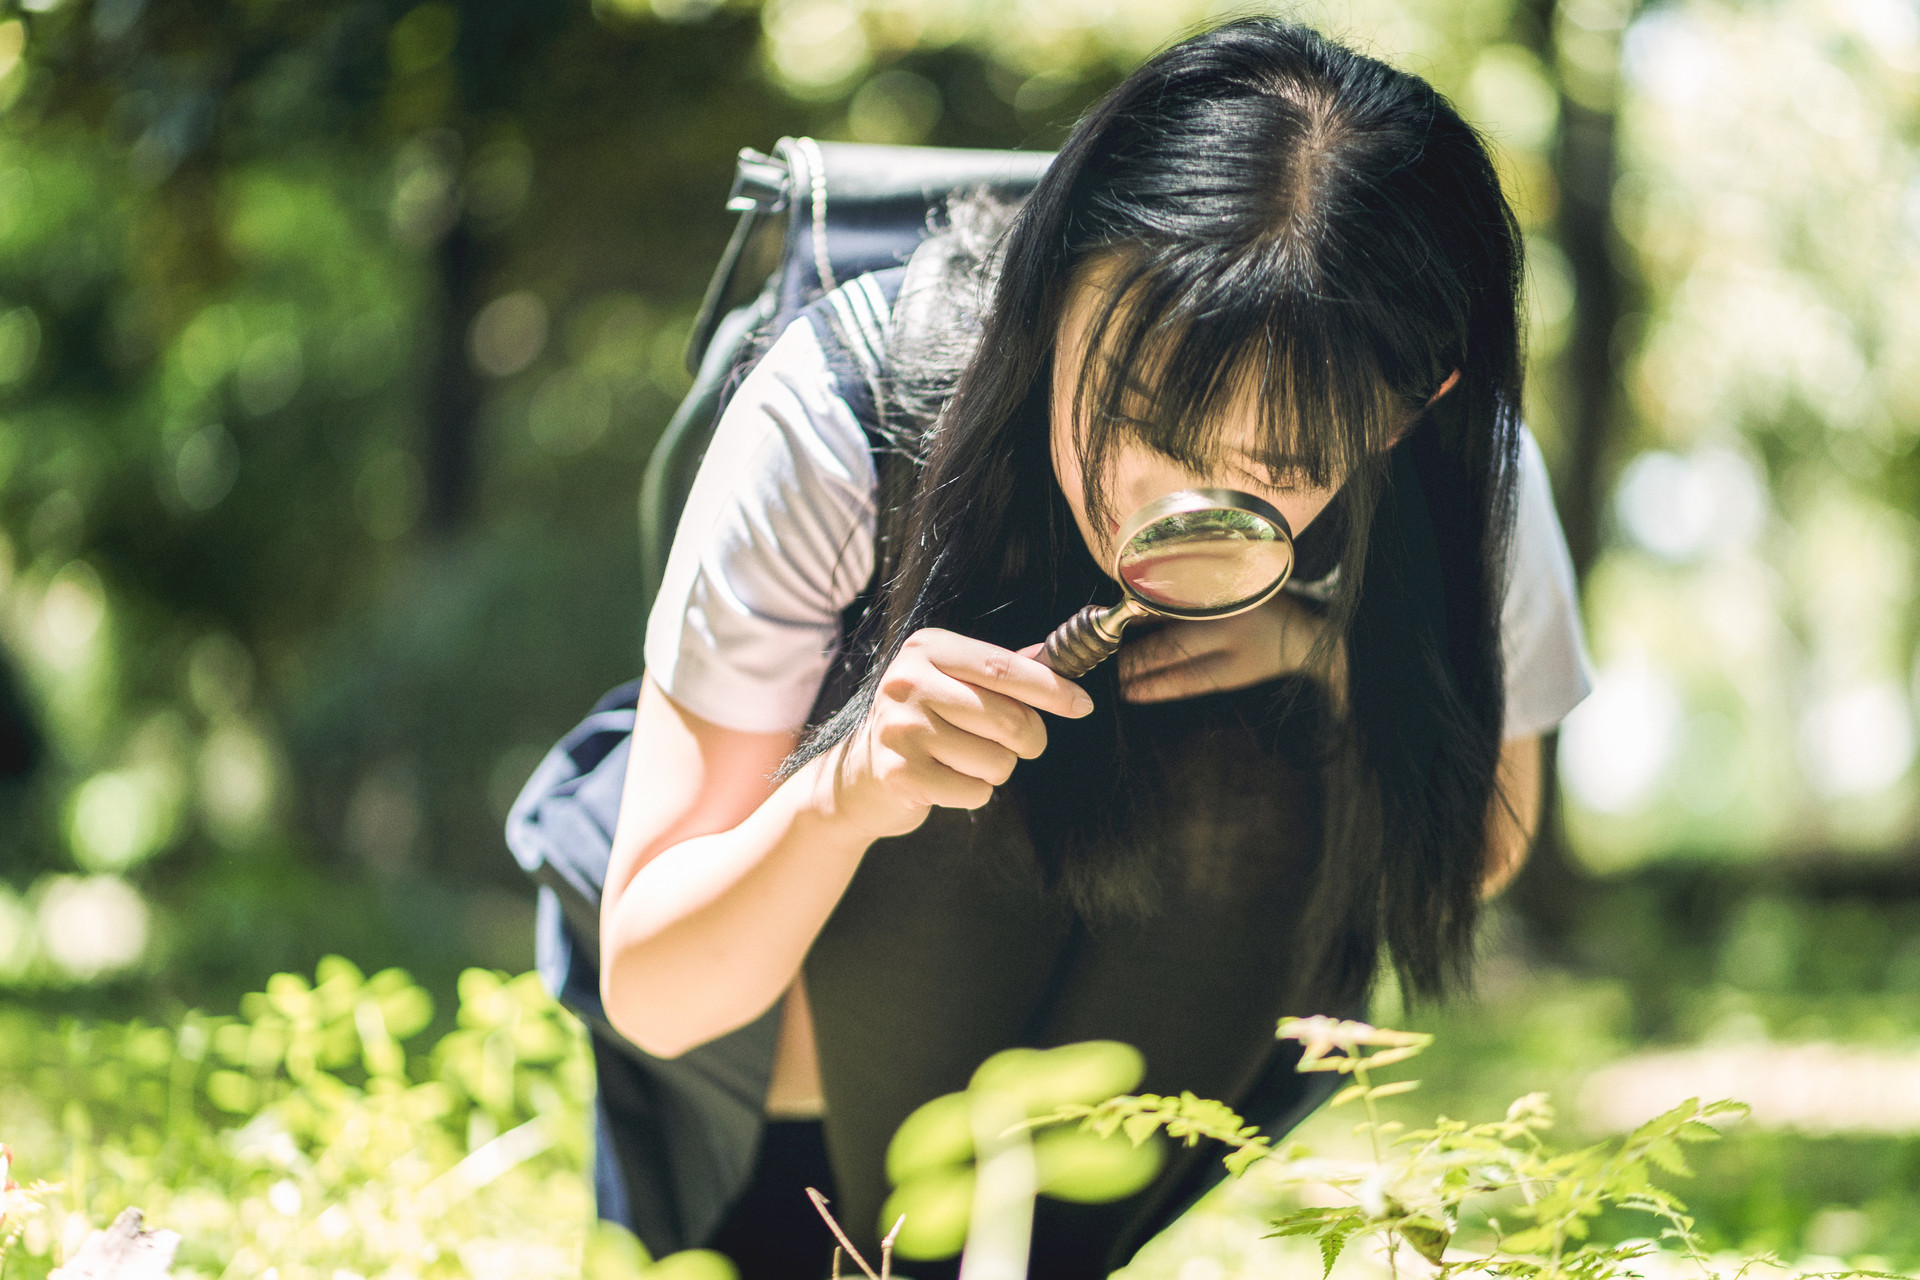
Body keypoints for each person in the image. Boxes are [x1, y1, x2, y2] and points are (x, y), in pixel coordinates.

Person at [595, 17, 1591, 1278]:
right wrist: (846, 790)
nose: (1157, 503)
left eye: (1276, 473)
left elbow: (1483, 839)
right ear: (1056, 273)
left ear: (1410, 410)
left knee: (1274, 755)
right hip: (773, 1145)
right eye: (1135, 416)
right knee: (934, 772)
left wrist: (1334, 661)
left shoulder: (1467, 477)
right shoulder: (843, 412)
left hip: (1113, 1104)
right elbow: (657, 982)